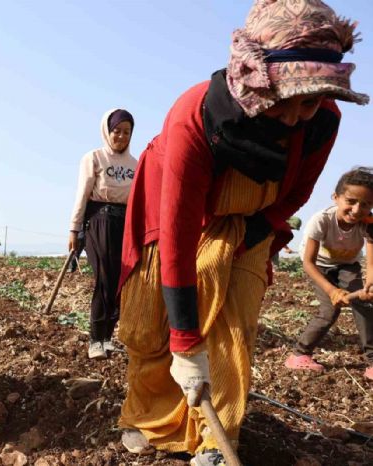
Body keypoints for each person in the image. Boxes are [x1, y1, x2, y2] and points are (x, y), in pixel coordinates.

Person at [115, 1, 369, 464]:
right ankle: (146, 419)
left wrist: (256, 230)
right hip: (173, 209)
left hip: (252, 219)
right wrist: (186, 342)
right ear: (255, 80)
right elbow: (176, 233)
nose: (295, 118)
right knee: (154, 320)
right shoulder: (196, 116)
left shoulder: (323, 121)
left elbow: (297, 192)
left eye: (308, 102)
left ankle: (216, 438)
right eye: (283, 103)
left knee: (235, 323)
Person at [285, 168, 373, 379]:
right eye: (351, 201)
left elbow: (370, 261)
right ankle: (299, 354)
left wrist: (370, 282)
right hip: (320, 267)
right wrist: (332, 290)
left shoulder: (369, 223)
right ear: (336, 198)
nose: (357, 209)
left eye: (366, 204)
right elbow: (308, 262)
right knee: (328, 311)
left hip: (348, 266)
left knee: (364, 304)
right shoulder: (321, 220)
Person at [69, 109, 137, 360]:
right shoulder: (94, 158)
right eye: (116, 130)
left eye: (126, 132)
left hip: (125, 224)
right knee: (105, 280)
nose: (121, 136)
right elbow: (82, 193)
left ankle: (108, 337)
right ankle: (95, 339)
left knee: (121, 283)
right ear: (107, 131)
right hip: (99, 221)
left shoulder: (135, 164)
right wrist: (74, 228)